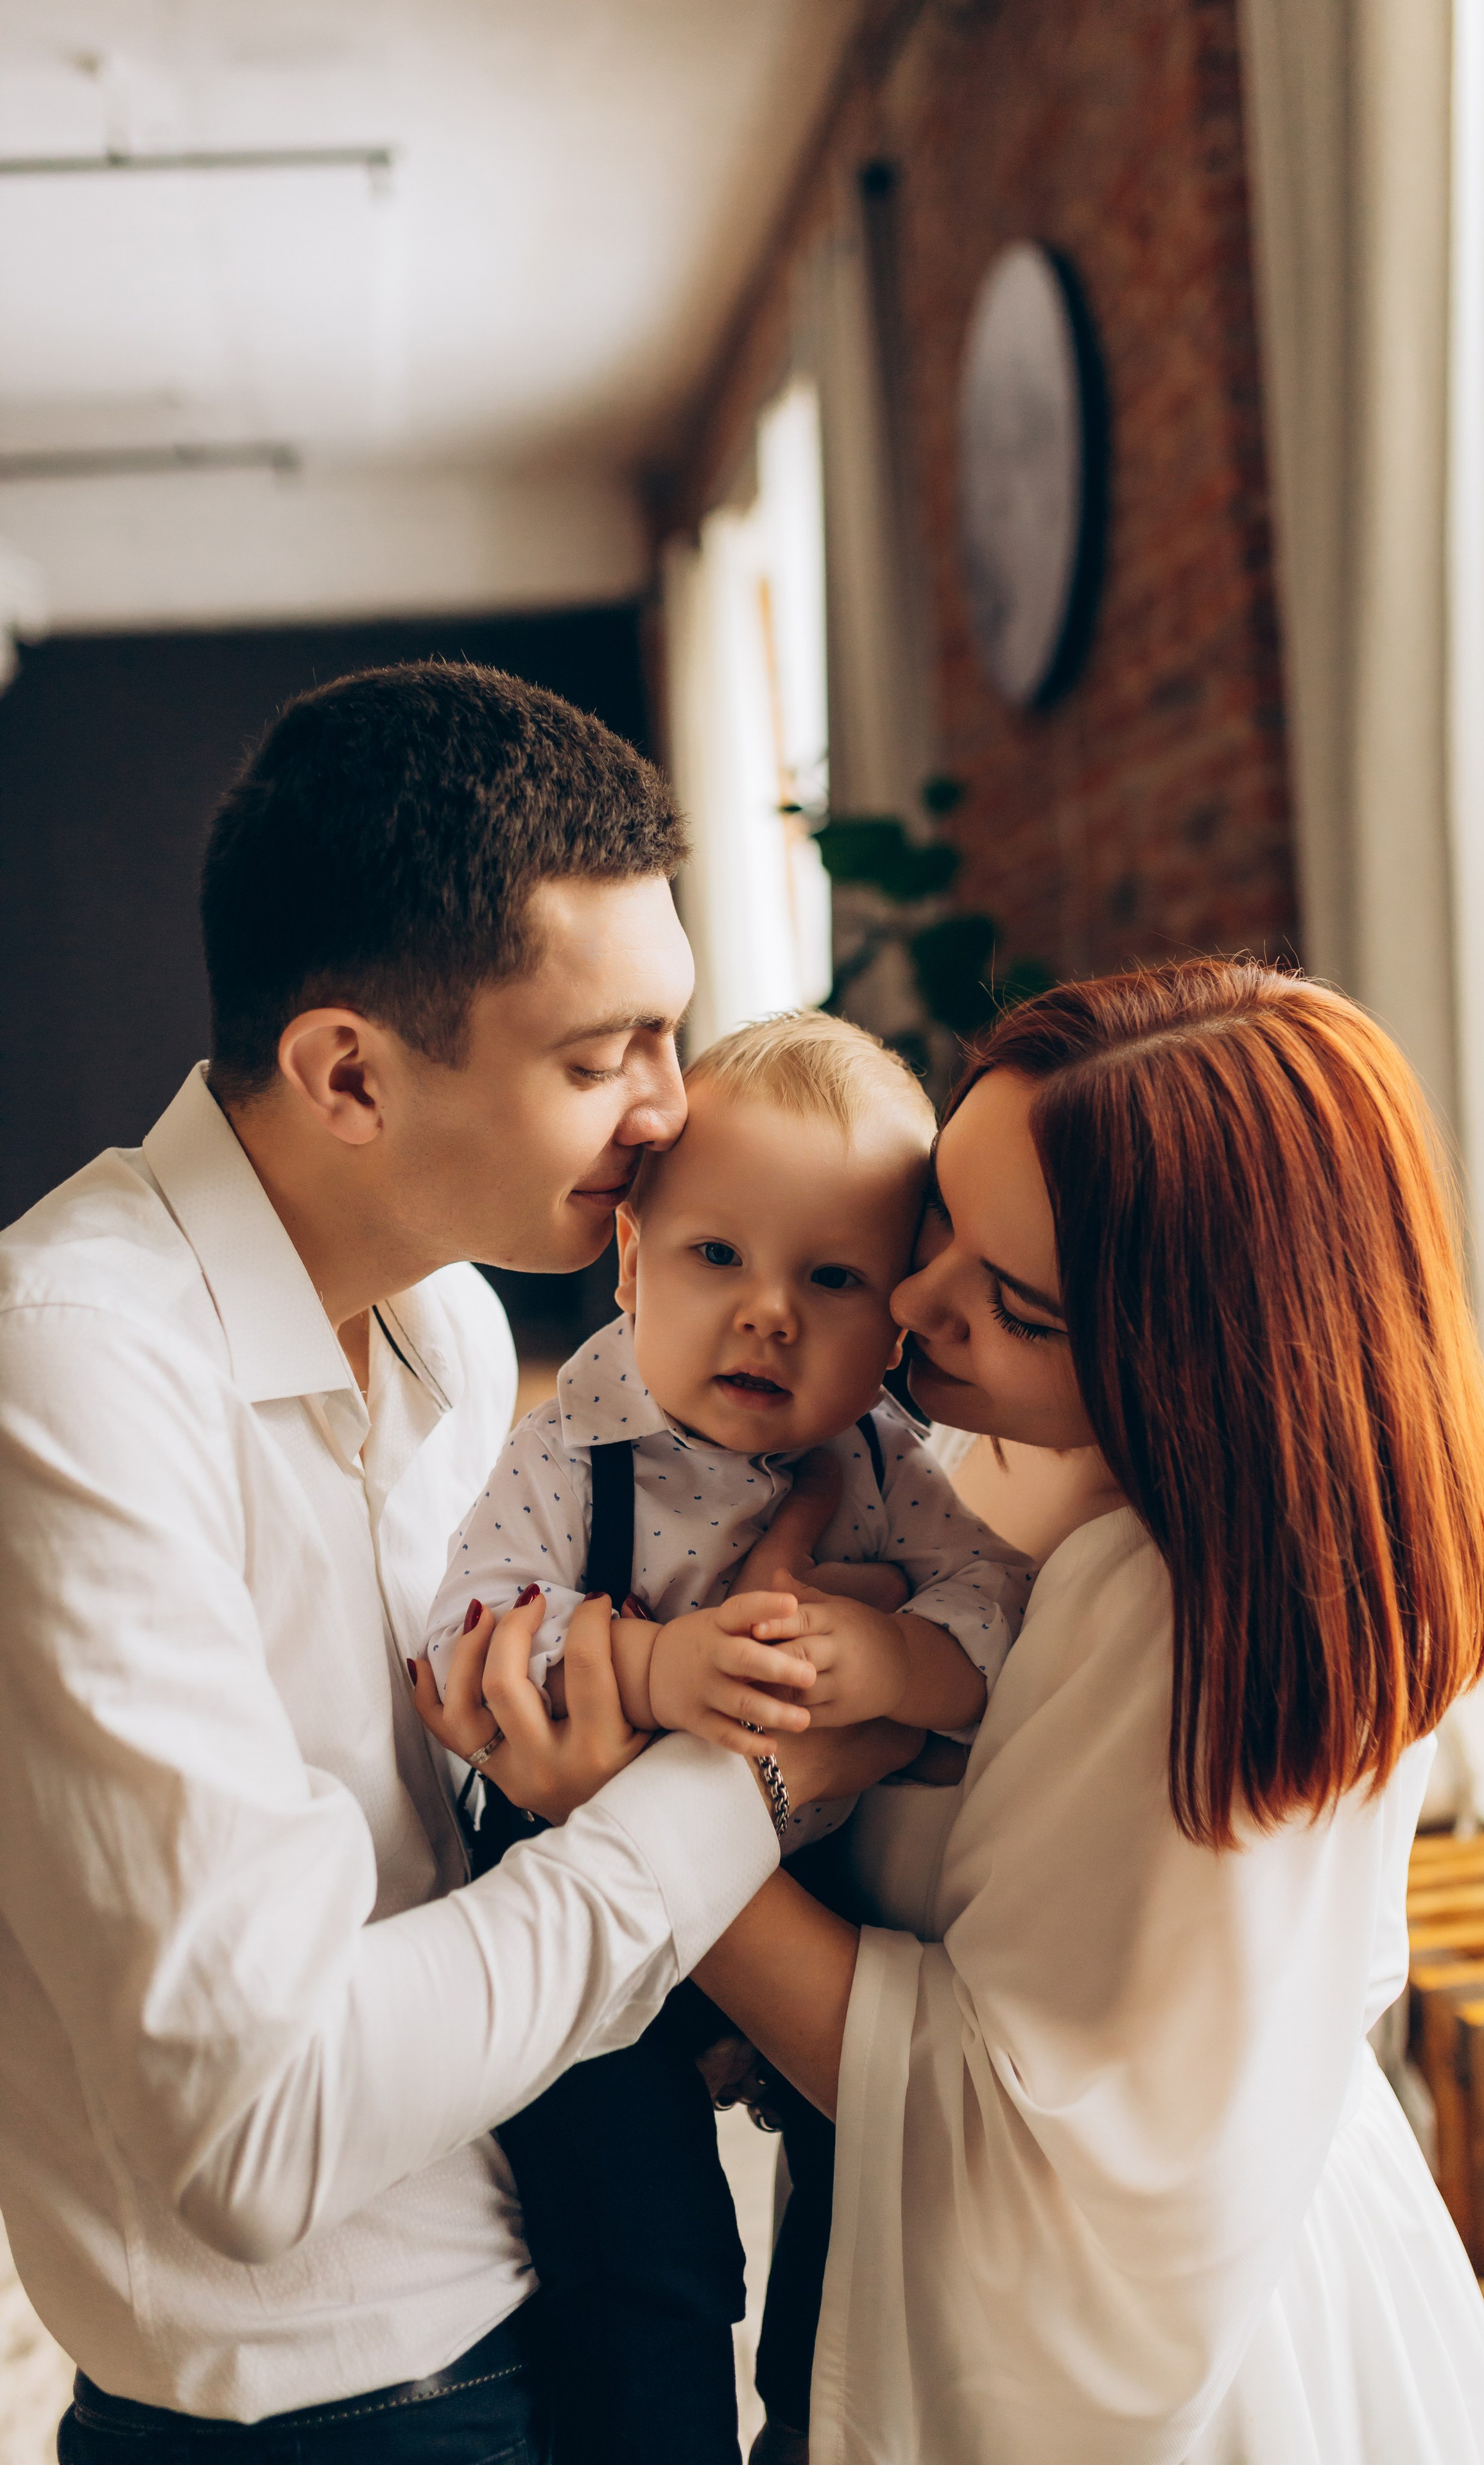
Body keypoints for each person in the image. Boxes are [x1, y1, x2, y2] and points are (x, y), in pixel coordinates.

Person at [0, 661, 909, 2464]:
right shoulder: (74, 1372)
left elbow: (491, 1816)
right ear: (349, 1070)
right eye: (604, 1056)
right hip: (341, 2418)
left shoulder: (458, 1327)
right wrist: (751, 1776)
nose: (671, 1110)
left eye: (675, 1030)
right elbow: (259, 2137)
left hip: (586, 2285)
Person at [684, 960, 1484, 2464]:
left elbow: (1024, 2150)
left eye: (1014, 1306)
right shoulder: (954, 1440)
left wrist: (631, 1839)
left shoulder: (1180, 1600)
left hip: (1184, 2347)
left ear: (1191, 1364)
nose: (910, 1296)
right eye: (938, 1205)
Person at [414, 1010, 1029, 2463]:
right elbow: (462, 1638)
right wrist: (643, 1661)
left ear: (892, 1319)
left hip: (794, 1903)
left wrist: (893, 1656)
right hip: (584, 1914)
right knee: (650, 2270)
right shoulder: (579, 1442)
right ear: (630, 1262)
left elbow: (993, 1621)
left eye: (830, 1278)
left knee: (859, 2208)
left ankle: (809, 2426)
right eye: (714, 1257)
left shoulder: (884, 1465)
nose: (768, 1313)